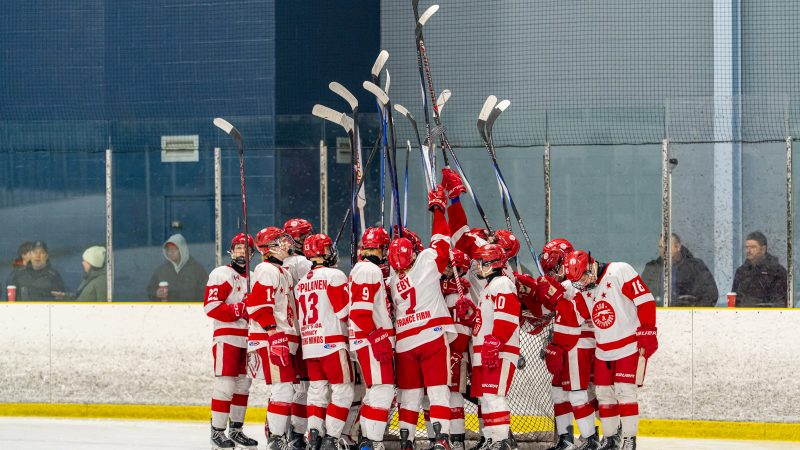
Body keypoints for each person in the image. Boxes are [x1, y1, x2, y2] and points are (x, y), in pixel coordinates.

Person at [564, 251, 658, 450]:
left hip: (628, 346)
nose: (580, 283)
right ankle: (610, 438)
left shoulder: (619, 270)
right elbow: (578, 315)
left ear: (592, 266)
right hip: (603, 350)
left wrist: (648, 330)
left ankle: (629, 439)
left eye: (581, 277)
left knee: (625, 392)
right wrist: (556, 300)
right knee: (604, 394)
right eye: (576, 281)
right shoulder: (583, 288)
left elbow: (645, 300)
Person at [387, 185, 455, 450]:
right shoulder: (426, 261)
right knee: (438, 391)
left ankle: (407, 440)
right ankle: (441, 439)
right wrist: (438, 208)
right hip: (431, 335)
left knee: (409, 395)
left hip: (404, 342)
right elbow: (442, 239)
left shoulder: (392, 278)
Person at [455, 243, 520, 450]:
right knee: (485, 398)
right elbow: (485, 323)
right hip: (485, 351)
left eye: (482, 262)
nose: (478, 266)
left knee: (494, 396)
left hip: (498, 352)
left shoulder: (502, 283)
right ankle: (492, 439)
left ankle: (501, 442)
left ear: (493, 263)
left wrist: (495, 342)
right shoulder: (488, 288)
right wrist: (470, 315)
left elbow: (507, 317)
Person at [295, 233, 354, 450]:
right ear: (324, 253)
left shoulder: (301, 283)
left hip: (310, 346)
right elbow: (344, 311)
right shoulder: (334, 276)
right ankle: (331, 439)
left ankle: (314, 435)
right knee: (343, 390)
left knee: (317, 391)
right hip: (333, 343)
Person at [246, 227, 302, 450]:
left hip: (281, 338)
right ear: (270, 247)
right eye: (281, 241)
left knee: (286, 389)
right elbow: (258, 305)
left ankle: (278, 436)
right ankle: (276, 439)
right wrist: (273, 333)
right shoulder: (266, 269)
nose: (287, 243)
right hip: (274, 338)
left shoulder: (283, 272)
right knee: (283, 388)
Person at [204, 233, 259, 450]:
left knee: (243, 385)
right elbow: (211, 307)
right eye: (237, 248)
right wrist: (240, 307)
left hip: (249, 339)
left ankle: (236, 430)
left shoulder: (254, 277)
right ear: (231, 251)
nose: (240, 252)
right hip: (227, 337)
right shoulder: (221, 274)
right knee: (225, 384)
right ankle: (217, 432)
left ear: (252, 253)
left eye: (245, 249)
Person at [348, 227, 394, 450]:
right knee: (381, 389)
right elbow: (359, 312)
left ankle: (367, 440)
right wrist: (377, 337)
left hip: (365, 339)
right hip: (369, 340)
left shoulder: (363, 268)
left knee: (375, 390)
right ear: (380, 248)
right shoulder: (368, 269)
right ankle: (372, 442)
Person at [641, 234, 718, 306]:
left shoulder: (695, 266)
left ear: (677, 247)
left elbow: (711, 295)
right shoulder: (651, 268)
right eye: (660, 247)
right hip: (657, 316)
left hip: (688, 317)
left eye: (666, 246)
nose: (663, 250)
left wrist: (693, 313)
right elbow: (641, 296)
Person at [731, 231, 788, 307]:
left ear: (763, 249)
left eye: (753, 247)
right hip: (743, 317)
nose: (748, 251)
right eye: (747, 247)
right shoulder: (741, 271)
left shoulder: (776, 271)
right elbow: (735, 298)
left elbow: (780, 302)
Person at [147, 234, 208, 302]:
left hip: (191, 311)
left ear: (182, 249)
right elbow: (150, 290)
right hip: (168, 311)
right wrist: (156, 293)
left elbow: (206, 294)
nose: (170, 252)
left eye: (174, 249)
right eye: (168, 249)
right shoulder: (161, 271)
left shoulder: (197, 270)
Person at [283, 218, 315, 284]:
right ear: (296, 239)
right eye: (308, 235)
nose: (310, 238)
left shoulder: (281, 259)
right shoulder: (303, 262)